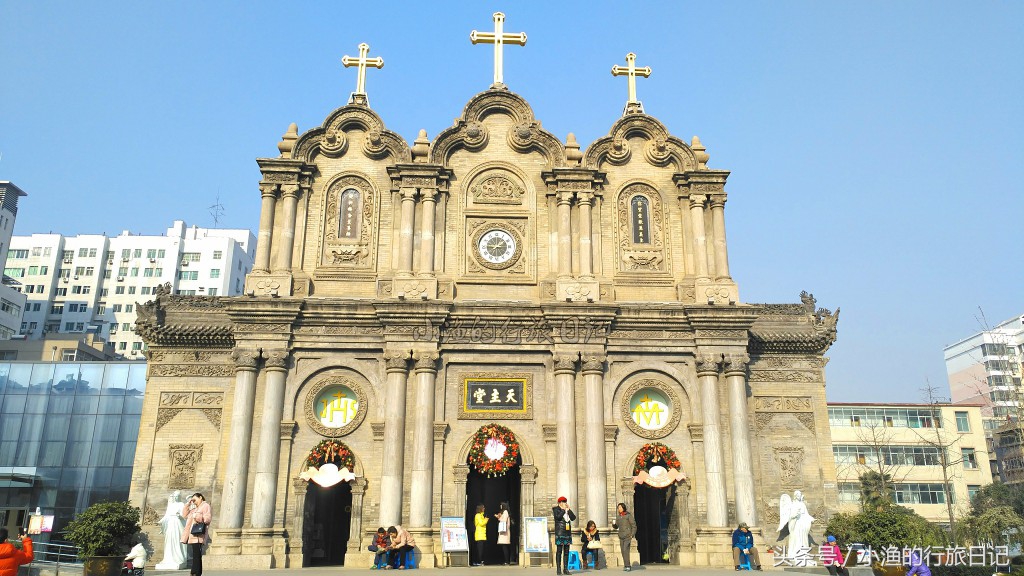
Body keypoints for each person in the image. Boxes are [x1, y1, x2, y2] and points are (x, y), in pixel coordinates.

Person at [181, 493, 211, 576]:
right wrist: (188, 503)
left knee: (197, 554)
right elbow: (184, 515)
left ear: (200, 497)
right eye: (193, 500)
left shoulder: (205, 506)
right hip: (192, 534)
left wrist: (196, 516)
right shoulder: (195, 508)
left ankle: (195, 572)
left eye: (195, 499)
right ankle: (196, 572)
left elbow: (207, 519)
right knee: (195, 554)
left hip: (199, 535)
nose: (194, 502)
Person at [156, 491, 186, 569]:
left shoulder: (181, 504)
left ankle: (178, 558)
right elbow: (166, 516)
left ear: (179, 497)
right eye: (174, 496)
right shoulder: (171, 505)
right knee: (169, 540)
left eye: (177, 496)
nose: (175, 498)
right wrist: (160, 522)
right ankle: (168, 559)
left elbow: (184, 516)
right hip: (170, 523)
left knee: (177, 539)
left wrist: (180, 516)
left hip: (177, 523)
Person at [553, 496, 577, 575]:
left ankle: (566, 569)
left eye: (565, 501)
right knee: (559, 551)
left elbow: (573, 518)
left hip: (567, 533)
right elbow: (558, 517)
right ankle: (558, 569)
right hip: (560, 533)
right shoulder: (556, 509)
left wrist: (569, 510)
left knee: (566, 552)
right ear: (559, 503)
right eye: (563, 502)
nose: (565, 503)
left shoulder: (567, 510)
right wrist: (563, 510)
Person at [611, 503, 636, 572]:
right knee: (622, 551)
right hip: (621, 536)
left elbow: (634, 525)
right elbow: (617, 526)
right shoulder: (618, 517)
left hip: (627, 536)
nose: (619, 509)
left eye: (620, 507)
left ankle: (628, 566)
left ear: (623, 508)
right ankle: (625, 565)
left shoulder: (628, 516)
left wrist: (632, 534)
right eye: (618, 508)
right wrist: (614, 525)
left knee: (625, 550)